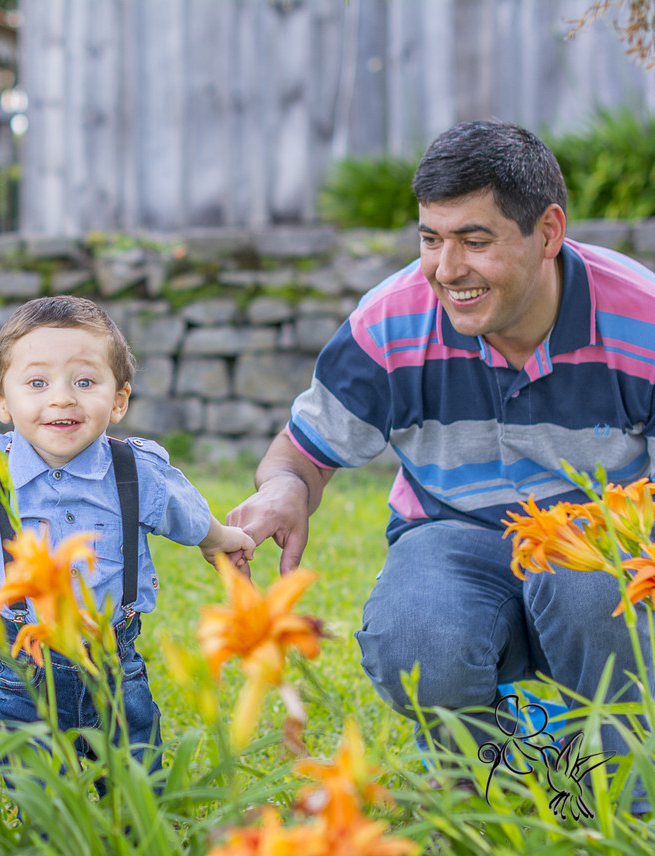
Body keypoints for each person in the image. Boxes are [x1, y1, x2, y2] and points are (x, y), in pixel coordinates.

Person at [226, 120, 655, 797]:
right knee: (418, 635)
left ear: (548, 232)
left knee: (590, 593)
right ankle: (485, 798)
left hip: (597, 539)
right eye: (431, 239)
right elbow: (302, 454)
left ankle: (624, 802)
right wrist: (284, 488)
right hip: (452, 533)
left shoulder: (642, 318)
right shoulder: (391, 319)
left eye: (475, 240)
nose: (446, 270)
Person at [0, 295, 255, 773]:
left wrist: (219, 540)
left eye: (84, 381)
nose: (62, 397)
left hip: (115, 664)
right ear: (1, 400)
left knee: (137, 778)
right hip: (24, 670)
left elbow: (187, 515)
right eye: (37, 382)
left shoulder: (137, 470)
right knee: (33, 787)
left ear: (119, 399)